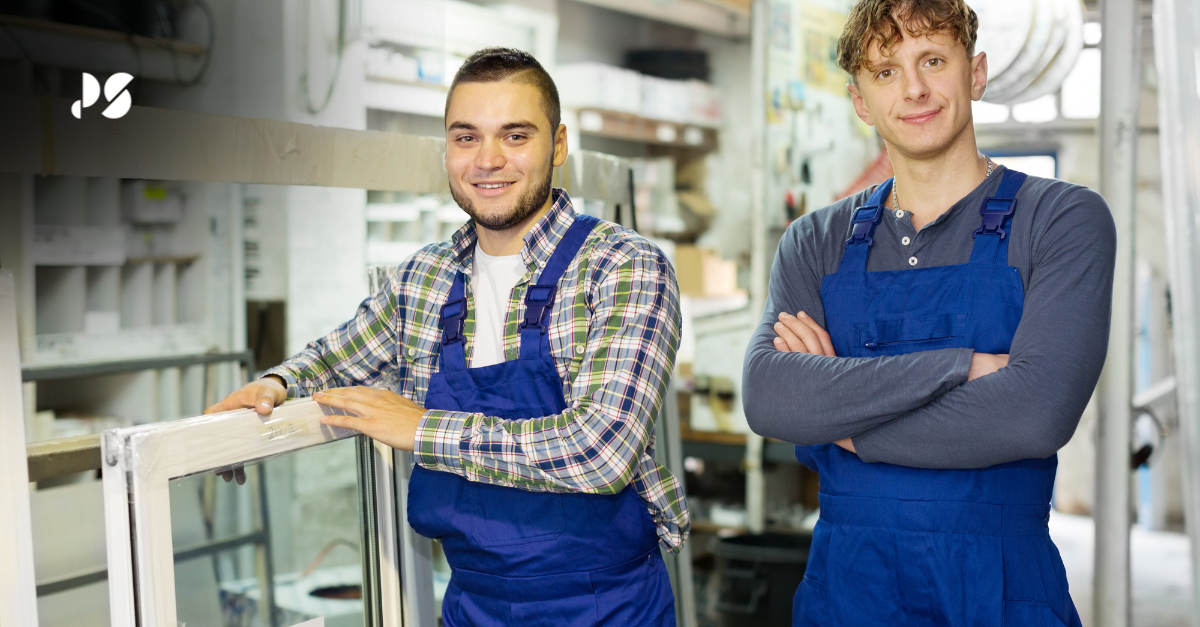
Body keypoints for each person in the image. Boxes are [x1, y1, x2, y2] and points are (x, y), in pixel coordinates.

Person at [207, 47, 686, 626]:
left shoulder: (623, 267)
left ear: (557, 145)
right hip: (473, 607)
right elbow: (335, 359)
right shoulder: (425, 278)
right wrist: (272, 386)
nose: (487, 160)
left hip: (604, 608)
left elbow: (601, 451)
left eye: (515, 136)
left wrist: (420, 429)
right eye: (466, 138)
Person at [742, 0, 1116, 625]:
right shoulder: (815, 241)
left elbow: (1033, 415)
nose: (913, 89)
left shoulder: (1061, 219)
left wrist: (842, 422)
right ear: (861, 101)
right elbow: (771, 399)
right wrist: (963, 367)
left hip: (998, 589)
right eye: (885, 72)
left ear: (976, 73)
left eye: (933, 60)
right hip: (847, 589)